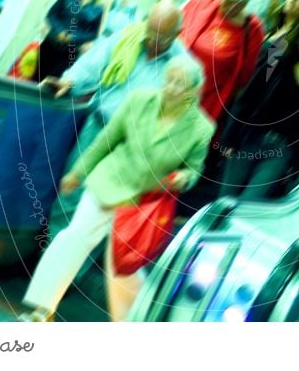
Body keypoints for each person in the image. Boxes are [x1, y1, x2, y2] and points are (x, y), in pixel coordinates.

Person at [18, 54, 214, 322]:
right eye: (169, 80)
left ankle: (133, 325)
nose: (171, 88)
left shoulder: (201, 127)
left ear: (194, 90)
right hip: (110, 182)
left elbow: (194, 167)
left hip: (143, 201)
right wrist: (77, 172)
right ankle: (41, 309)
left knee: (123, 267)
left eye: (180, 84)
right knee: (74, 238)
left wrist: (184, 177)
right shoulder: (139, 101)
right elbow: (105, 140)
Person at [42, 0, 185, 258]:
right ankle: (48, 262)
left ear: (178, 33)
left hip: (133, 147)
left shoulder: (182, 67)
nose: (152, 42)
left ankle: (72, 273)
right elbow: (92, 63)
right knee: (70, 196)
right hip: (97, 130)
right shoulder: (126, 38)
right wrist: (69, 81)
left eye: (161, 38)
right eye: (150, 32)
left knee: (103, 209)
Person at [219, 16, 299, 199]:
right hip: (252, 136)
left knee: (249, 203)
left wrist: (297, 165)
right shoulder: (276, 60)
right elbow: (248, 97)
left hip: (282, 149)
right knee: (225, 197)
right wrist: (229, 137)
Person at [180, 0, 265, 123]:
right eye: (228, 0)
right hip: (173, 86)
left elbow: (244, 77)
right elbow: (175, 36)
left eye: (237, 3)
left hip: (207, 103)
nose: (230, 7)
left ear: (246, 2)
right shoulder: (200, 2)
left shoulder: (253, 29)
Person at [34, 0, 110, 80]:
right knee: (35, 78)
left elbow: (93, 33)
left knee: (52, 83)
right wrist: (59, 31)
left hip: (70, 52)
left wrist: (74, 37)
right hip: (51, 42)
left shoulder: (99, 8)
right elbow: (52, 14)